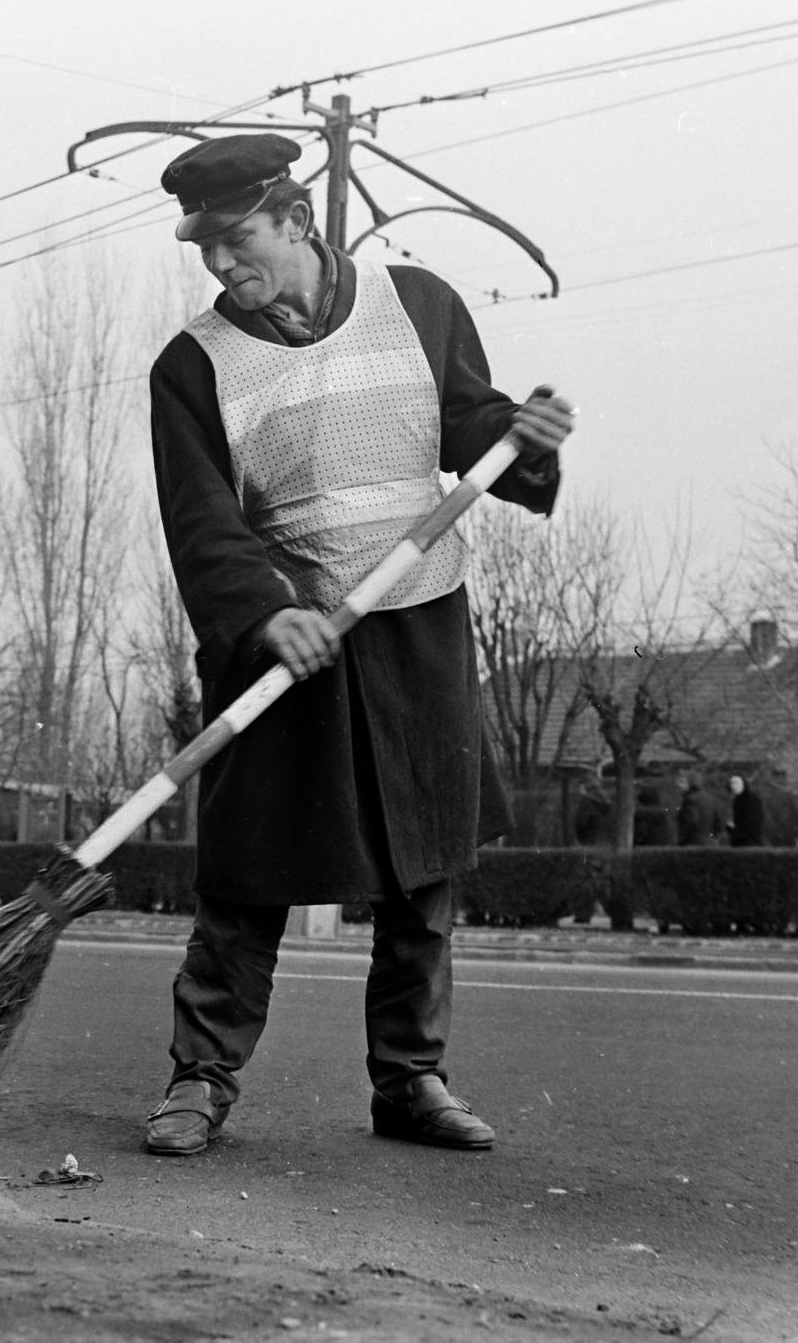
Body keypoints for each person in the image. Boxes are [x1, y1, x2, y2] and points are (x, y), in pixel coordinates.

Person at [144, 135, 574, 1155]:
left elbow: (467, 427)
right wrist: (262, 612)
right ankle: (198, 1078)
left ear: (294, 220)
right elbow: (201, 519)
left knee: (420, 865)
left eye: (238, 239)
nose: (222, 265)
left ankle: (411, 1080)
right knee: (247, 871)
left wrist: (525, 435)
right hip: (285, 636)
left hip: (419, 617)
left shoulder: (419, 303)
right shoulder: (190, 363)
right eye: (205, 249)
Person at [676, 772, 723, 846]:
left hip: (692, 845)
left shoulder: (690, 800)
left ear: (691, 784)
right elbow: (718, 823)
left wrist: (682, 840)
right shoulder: (709, 798)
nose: (678, 785)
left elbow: (690, 822)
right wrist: (714, 839)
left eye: (683, 782)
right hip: (708, 844)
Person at [727, 775, 765, 847]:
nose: (733, 786)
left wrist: (735, 828)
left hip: (749, 843)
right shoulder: (737, 800)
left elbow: (752, 824)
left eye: (736, 783)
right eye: (731, 783)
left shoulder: (751, 800)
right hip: (741, 842)